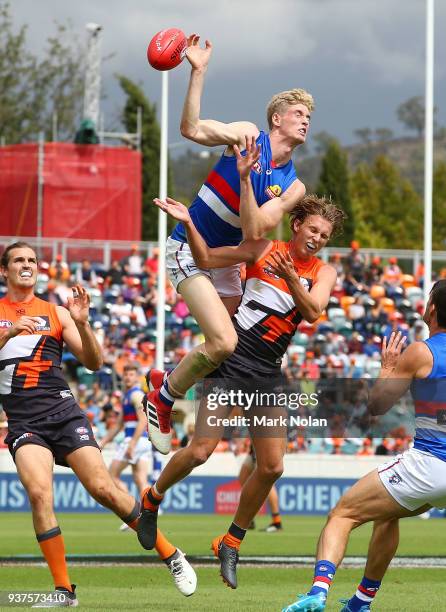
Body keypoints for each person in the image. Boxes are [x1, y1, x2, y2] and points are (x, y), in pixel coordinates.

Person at [138, 190, 345, 589]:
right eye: (313, 229)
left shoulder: (324, 271)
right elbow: (208, 260)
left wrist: (289, 278)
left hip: (267, 374)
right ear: (297, 224)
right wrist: (189, 224)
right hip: (232, 364)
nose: (318, 238)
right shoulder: (264, 247)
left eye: (325, 234)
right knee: (200, 451)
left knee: (272, 466)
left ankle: (230, 541)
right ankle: (152, 497)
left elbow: (313, 312)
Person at [144, 34, 314, 454]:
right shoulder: (245, 134)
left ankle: (165, 378)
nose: (305, 119)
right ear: (276, 118)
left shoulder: (293, 186)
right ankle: (163, 397)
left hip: (224, 262)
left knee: (232, 351)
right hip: (188, 246)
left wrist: (243, 180)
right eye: (297, 112)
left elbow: (256, 231)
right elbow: (190, 128)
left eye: (309, 115)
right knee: (223, 343)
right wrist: (198, 73)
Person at [0, 242, 196, 606]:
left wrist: (83, 324)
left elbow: (94, 361)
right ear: (4, 270)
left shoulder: (55, 312)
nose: (26, 265)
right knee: (40, 494)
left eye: (31, 260)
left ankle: (172, 556)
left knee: (104, 489)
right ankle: (64, 591)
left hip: (62, 412)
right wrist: (9, 334)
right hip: (24, 420)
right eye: (18, 261)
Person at [282, 280, 446, 612]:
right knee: (388, 515)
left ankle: (318, 590)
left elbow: (377, 405)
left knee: (342, 513)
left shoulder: (422, 351)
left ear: (431, 308)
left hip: (430, 463)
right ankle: (360, 602)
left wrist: (387, 368)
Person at [99, 363, 152, 532]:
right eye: (126, 374)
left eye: (131, 374)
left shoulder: (135, 395)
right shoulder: (128, 396)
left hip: (134, 440)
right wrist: (103, 442)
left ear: (136, 377)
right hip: (143, 442)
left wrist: (132, 443)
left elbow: (143, 420)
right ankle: (147, 515)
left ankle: (133, 511)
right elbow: (118, 425)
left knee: (111, 476)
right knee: (140, 479)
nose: (128, 377)